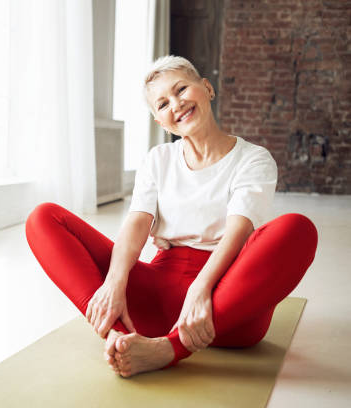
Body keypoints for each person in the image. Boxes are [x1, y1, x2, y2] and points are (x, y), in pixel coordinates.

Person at [25, 55, 318, 378]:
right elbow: (137, 224)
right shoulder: (158, 159)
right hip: (156, 305)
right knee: (44, 218)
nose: (176, 104)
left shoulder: (253, 159)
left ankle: (169, 349)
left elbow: (238, 230)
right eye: (162, 104)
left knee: (298, 228)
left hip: (226, 308)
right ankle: (118, 337)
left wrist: (201, 288)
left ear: (207, 88)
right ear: (160, 122)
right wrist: (114, 284)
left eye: (181, 90)